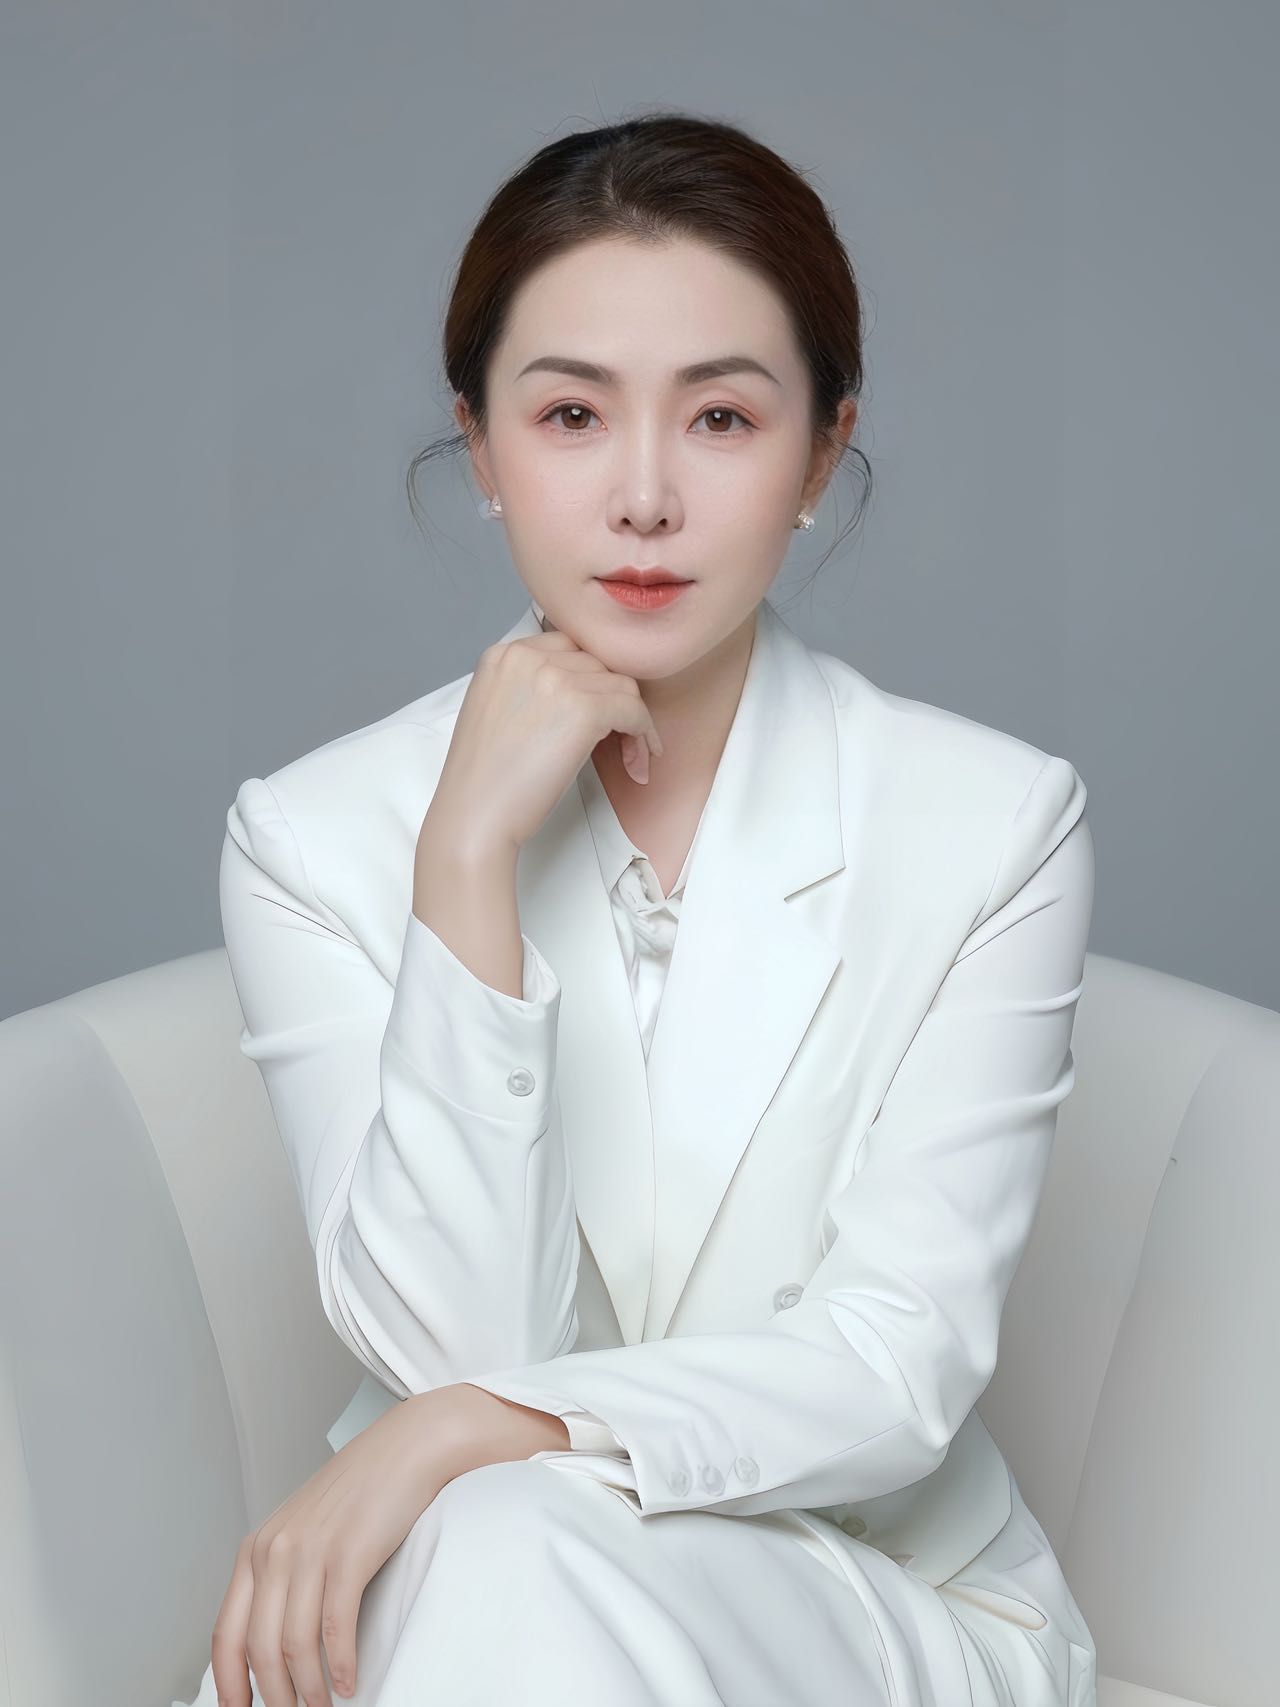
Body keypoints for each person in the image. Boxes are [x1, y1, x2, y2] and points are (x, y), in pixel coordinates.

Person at [178, 110, 1098, 1707]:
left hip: (860, 1586)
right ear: (481, 449)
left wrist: (481, 1432)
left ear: (822, 454)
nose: (646, 496)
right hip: (470, 1587)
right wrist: (464, 863)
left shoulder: (991, 822)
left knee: (507, 1533)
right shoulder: (315, 839)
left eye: (723, 417)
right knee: (502, 1550)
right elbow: (451, 1342)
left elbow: (894, 1368)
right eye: (571, 416)